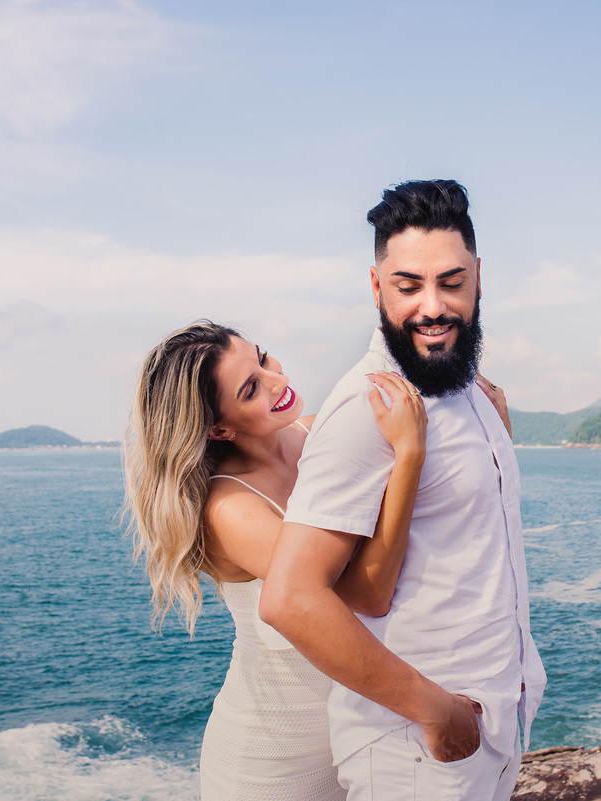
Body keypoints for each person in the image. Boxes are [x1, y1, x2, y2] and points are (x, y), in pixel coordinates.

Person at [120, 321, 510, 800]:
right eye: (251, 388)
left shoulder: (318, 431)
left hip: (361, 732)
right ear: (219, 427)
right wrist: (408, 454)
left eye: (263, 359)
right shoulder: (229, 510)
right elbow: (366, 596)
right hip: (274, 764)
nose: (277, 381)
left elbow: (437, 514)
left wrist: (489, 428)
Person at [260, 179, 545, 801]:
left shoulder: (468, 387)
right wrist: (434, 710)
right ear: (376, 287)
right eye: (408, 286)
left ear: (478, 277)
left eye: (451, 281)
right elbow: (290, 598)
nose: (433, 306)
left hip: (495, 724)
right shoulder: (368, 406)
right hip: (417, 752)